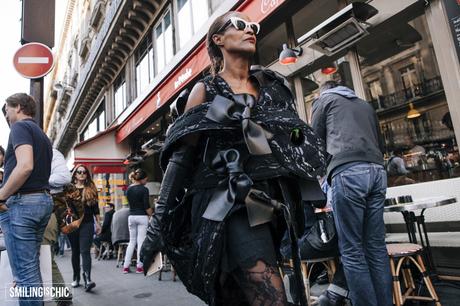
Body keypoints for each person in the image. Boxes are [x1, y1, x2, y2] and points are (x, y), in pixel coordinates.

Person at [140, 11, 326, 306]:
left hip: (271, 205)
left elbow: (294, 138)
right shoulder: (206, 91)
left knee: (239, 298)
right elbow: (182, 160)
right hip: (226, 205)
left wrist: (297, 146)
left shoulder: (273, 88)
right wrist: (157, 226)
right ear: (218, 39)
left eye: (252, 26)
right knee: (272, 297)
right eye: (239, 25)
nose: (250, 30)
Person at [311, 81, 392, 306]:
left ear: (323, 90)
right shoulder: (365, 105)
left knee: (352, 251)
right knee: (375, 247)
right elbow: (380, 143)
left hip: (347, 172)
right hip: (377, 172)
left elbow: (314, 143)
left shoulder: (323, 100)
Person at [0, 93, 53, 306]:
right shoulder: (41, 134)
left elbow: (25, 166)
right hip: (41, 201)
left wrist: (1, 195)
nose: (5, 113)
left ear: (19, 107)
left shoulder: (20, 128)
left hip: (23, 204)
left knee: (24, 276)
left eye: (7, 109)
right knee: (30, 271)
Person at [41, 148, 72, 306]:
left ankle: (62, 296)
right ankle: (61, 296)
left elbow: (64, 177)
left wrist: (37, 180)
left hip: (48, 210)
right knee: (44, 258)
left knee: (45, 256)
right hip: (39, 212)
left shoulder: (50, 152)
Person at [66, 164, 101, 292]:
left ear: (87, 174)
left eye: (84, 172)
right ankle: (76, 277)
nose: (82, 174)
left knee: (85, 251)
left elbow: (95, 208)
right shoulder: (68, 189)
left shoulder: (91, 188)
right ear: (74, 174)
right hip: (73, 224)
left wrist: (98, 223)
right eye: (79, 172)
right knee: (75, 252)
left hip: (87, 224)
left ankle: (87, 279)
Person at [122, 169, 152, 273]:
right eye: (146, 180)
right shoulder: (144, 189)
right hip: (142, 217)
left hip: (131, 217)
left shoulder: (128, 189)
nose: (147, 182)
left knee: (132, 242)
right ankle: (139, 266)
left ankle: (126, 266)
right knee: (141, 242)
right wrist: (151, 215)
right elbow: (146, 206)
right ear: (142, 179)